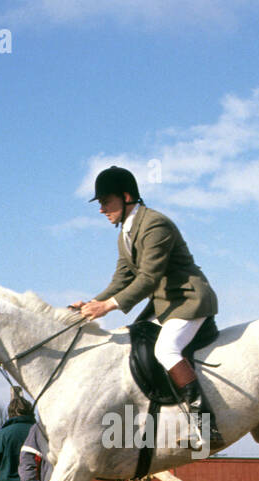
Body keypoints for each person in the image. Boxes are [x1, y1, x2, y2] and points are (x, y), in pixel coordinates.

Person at [71, 165, 223, 449]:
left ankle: (206, 425)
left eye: (106, 201)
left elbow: (148, 277)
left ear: (127, 196)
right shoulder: (125, 234)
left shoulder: (155, 224)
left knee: (166, 349)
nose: (102, 209)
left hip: (188, 299)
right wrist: (94, 301)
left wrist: (107, 307)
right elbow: (122, 278)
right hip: (166, 303)